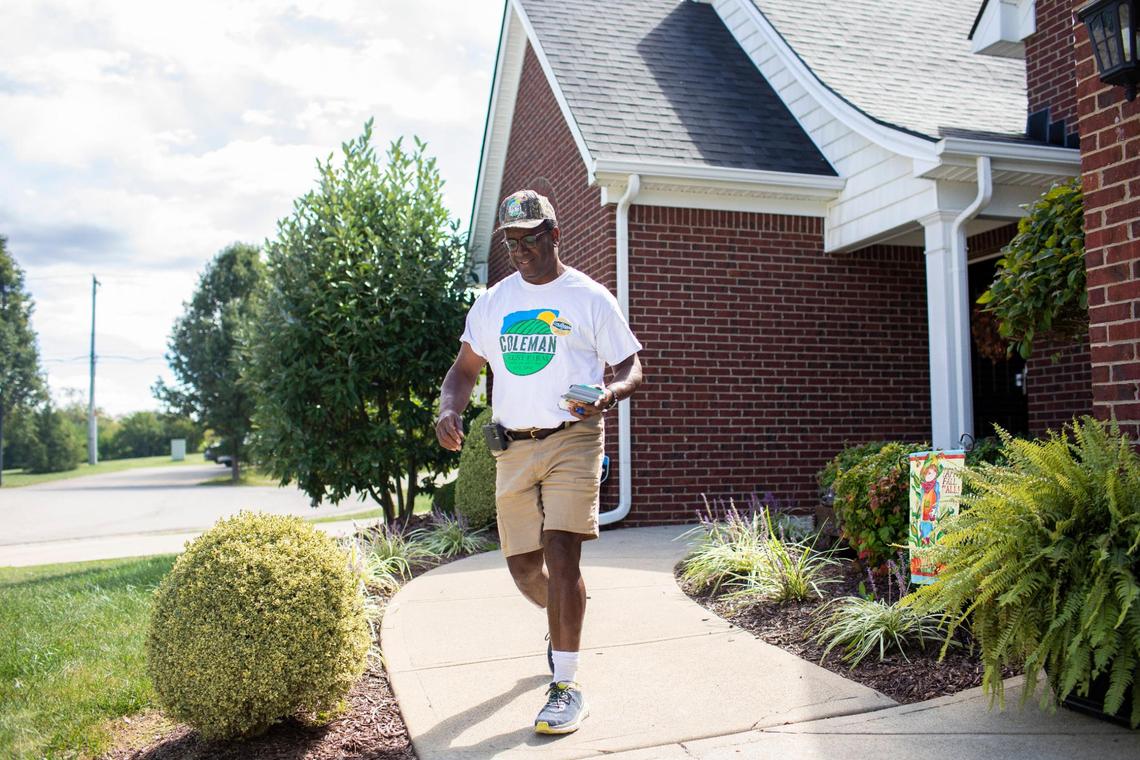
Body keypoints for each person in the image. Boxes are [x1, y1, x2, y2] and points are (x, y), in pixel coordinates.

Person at [435, 189, 643, 735]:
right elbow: (463, 371)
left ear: (554, 235)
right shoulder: (493, 303)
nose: (519, 250)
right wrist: (448, 409)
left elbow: (631, 368)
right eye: (511, 241)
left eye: (530, 238)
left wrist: (607, 394)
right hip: (514, 446)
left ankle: (566, 684)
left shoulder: (589, 298)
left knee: (562, 551)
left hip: (574, 437)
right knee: (525, 567)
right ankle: (563, 617)